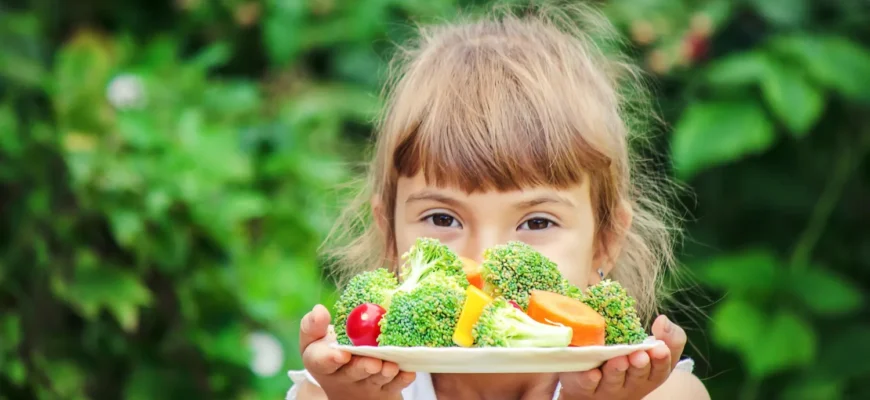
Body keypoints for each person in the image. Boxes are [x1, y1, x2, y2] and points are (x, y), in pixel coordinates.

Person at [287, 1, 710, 399]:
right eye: (442, 218)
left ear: (605, 240)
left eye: (537, 223)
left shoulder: (662, 393)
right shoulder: (334, 390)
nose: (485, 258)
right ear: (390, 233)